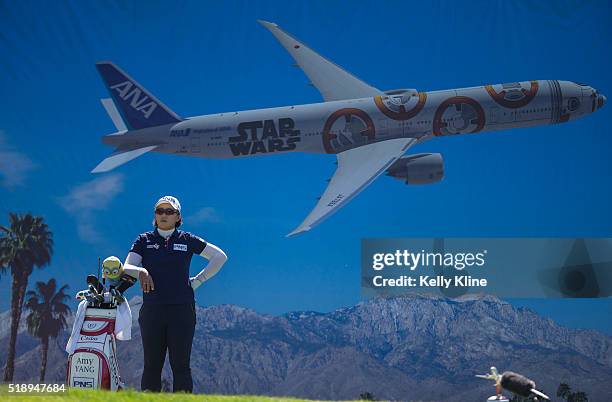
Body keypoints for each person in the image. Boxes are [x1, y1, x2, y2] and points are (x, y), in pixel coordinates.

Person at [123, 195, 228, 393]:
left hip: (182, 311)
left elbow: (219, 257)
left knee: (180, 366)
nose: (163, 215)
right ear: (154, 215)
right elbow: (127, 266)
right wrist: (141, 272)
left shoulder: (187, 240)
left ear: (178, 217)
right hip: (152, 311)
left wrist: (198, 281)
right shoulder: (143, 240)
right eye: (159, 211)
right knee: (151, 366)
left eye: (169, 211)